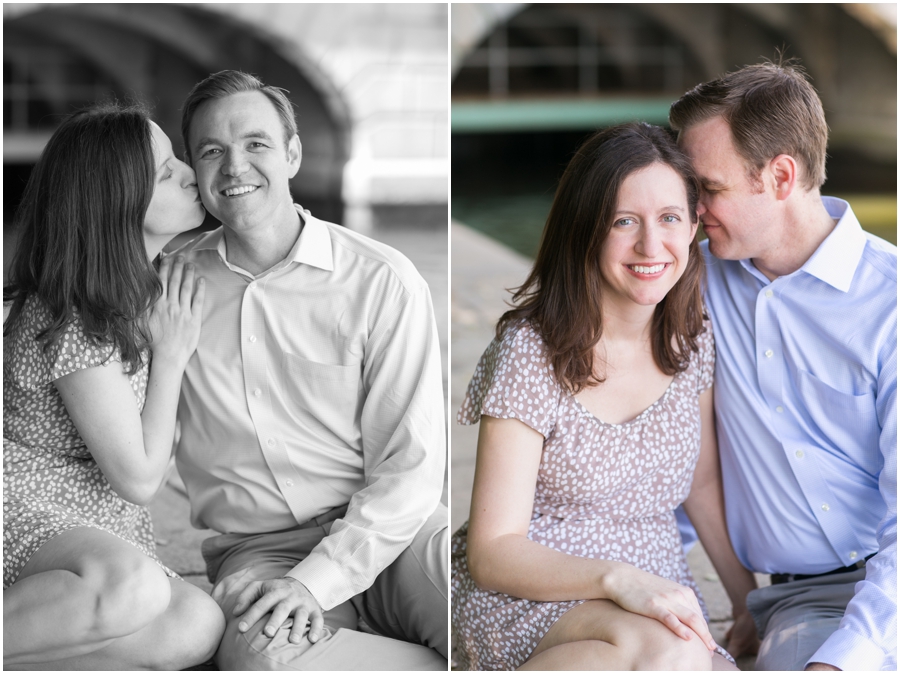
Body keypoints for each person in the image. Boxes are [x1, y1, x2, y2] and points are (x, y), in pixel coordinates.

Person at [451, 122, 760, 671]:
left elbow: (704, 482)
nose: (650, 245)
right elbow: (493, 548)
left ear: (693, 226)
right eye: (623, 221)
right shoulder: (530, 351)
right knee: (671, 654)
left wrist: (746, 603)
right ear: (585, 229)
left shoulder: (691, 338)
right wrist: (619, 579)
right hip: (534, 592)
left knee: (683, 655)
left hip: (656, 596)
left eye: (668, 218)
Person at [173, 70, 448, 670]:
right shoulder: (168, 286)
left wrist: (320, 582)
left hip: (395, 530)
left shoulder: (383, 280)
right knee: (265, 661)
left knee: (483, 613)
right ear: (194, 172)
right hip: (260, 549)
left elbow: (412, 468)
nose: (235, 167)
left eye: (256, 144)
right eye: (212, 151)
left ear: (293, 153)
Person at [669, 60, 897, 671]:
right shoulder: (686, 280)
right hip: (805, 600)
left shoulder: (891, 303)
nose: (692, 212)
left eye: (707, 190)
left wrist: (845, 659)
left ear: (780, 175)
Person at [3, 103, 225, 669]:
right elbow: (140, 478)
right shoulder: (75, 310)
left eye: (177, 158)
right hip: (22, 505)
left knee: (196, 624)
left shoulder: (135, 291)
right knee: (136, 589)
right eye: (164, 170)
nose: (187, 173)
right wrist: (172, 353)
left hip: (86, 517)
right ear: (118, 203)